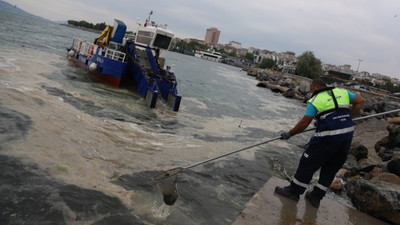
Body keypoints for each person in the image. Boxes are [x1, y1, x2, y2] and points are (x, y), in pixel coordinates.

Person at [274, 78, 365, 208]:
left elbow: (304, 122)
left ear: (316, 88)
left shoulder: (315, 100)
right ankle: (316, 197)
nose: (310, 93)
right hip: (346, 135)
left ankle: (294, 192)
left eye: (311, 90)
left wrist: (289, 134)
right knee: (331, 168)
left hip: (328, 137)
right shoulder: (342, 92)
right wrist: (348, 116)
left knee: (307, 162)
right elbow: (361, 101)